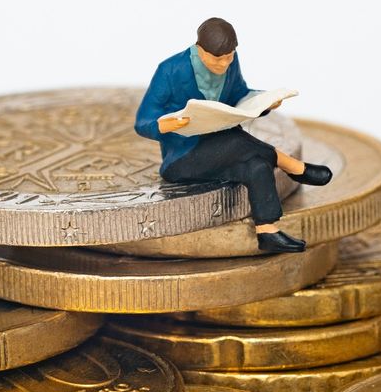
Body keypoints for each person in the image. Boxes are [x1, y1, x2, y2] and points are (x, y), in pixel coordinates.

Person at [135, 17, 332, 253]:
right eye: (217, 58)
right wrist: (165, 125)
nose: (224, 64)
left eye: (229, 56)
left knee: (257, 165)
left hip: (223, 148)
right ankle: (293, 167)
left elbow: (240, 94)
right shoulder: (170, 69)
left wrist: (264, 102)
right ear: (199, 50)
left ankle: (267, 231)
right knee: (234, 141)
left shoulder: (230, 62)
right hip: (183, 158)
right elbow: (143, 120)